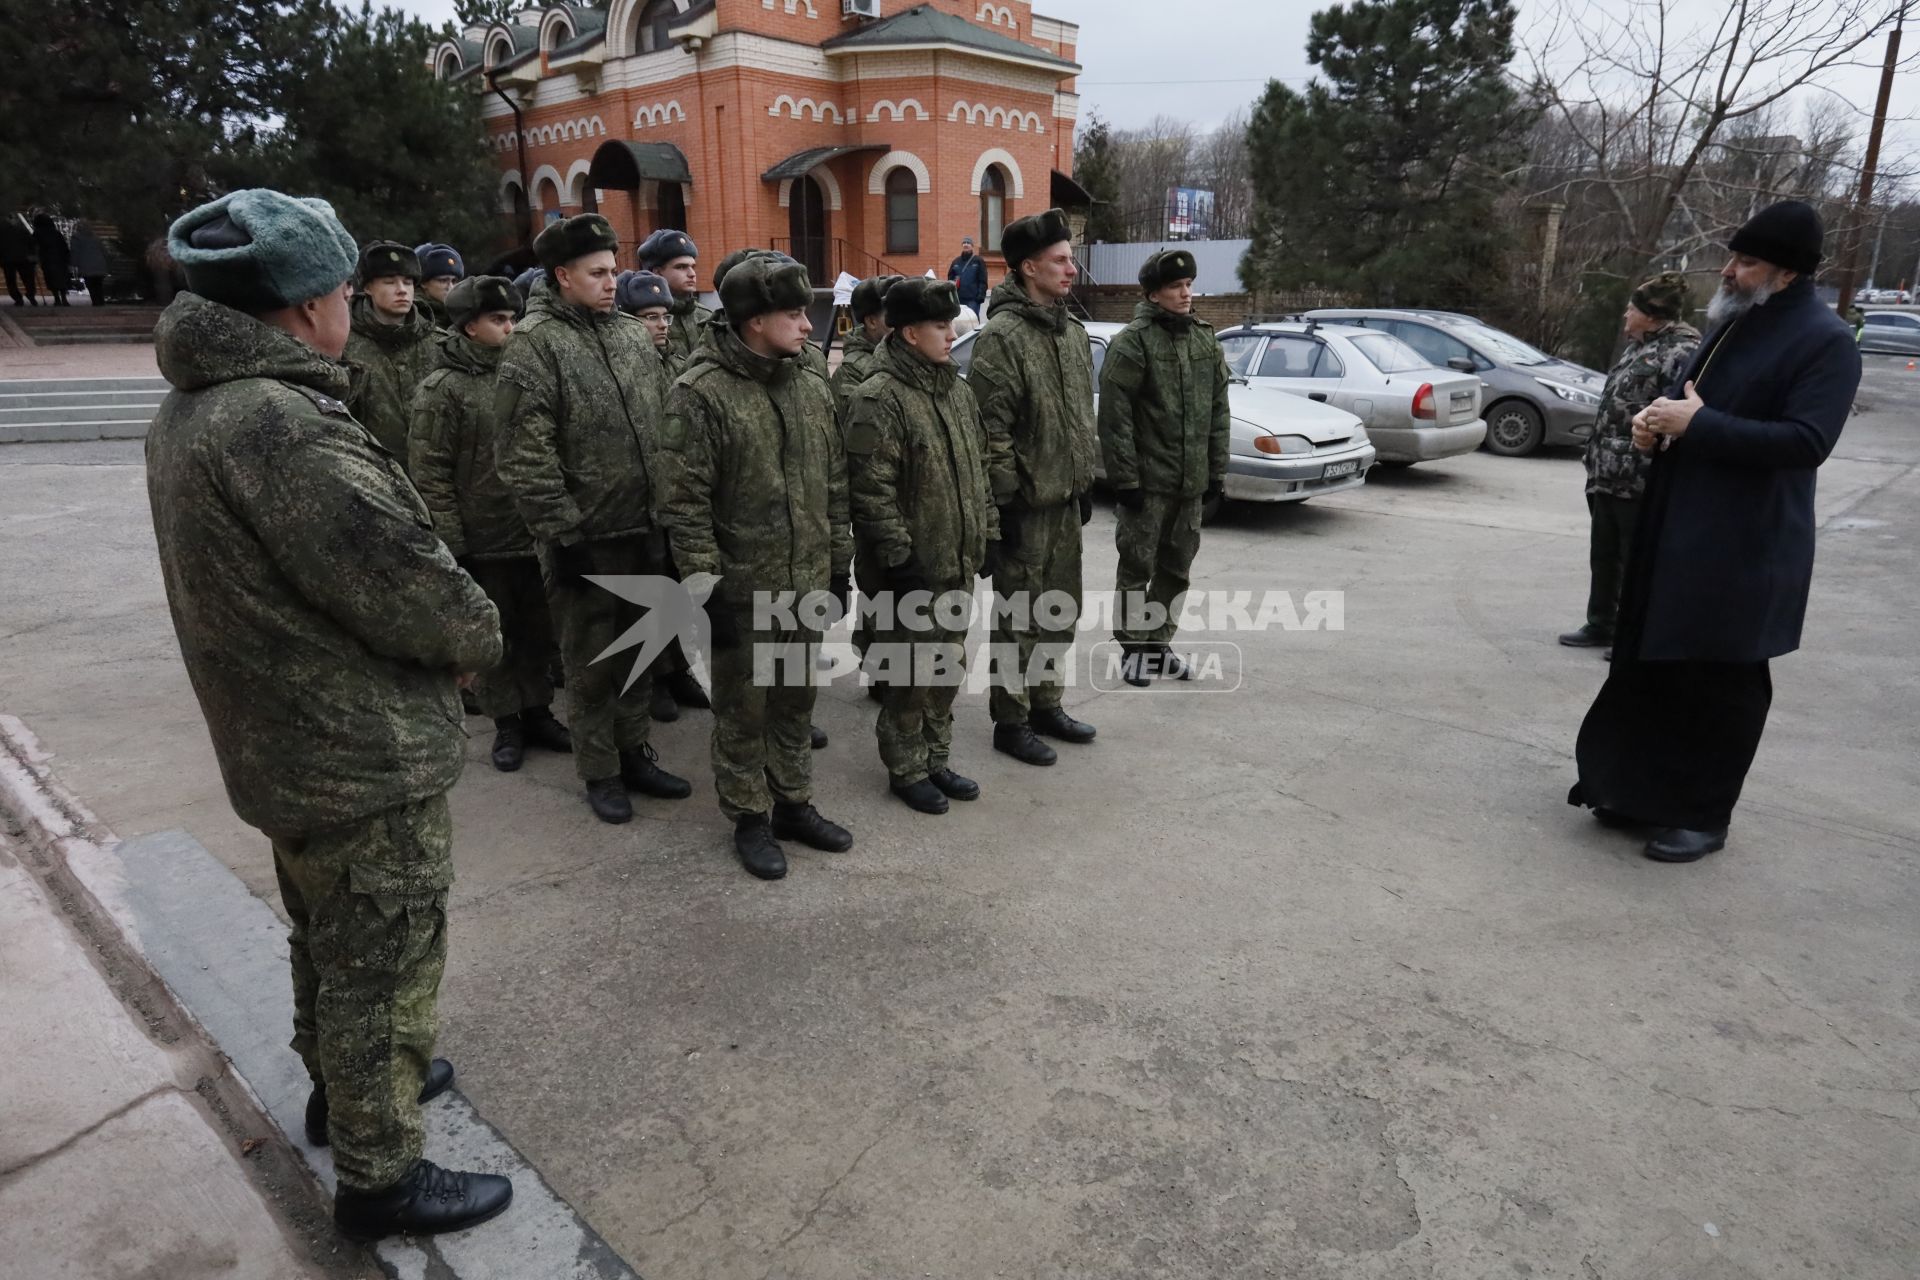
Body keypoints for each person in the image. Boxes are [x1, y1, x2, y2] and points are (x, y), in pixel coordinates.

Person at [146, 188, 512, 1240]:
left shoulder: (197, 407)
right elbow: (407, 584)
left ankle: (343, 1093)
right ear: (306, 308)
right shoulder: (276, 424)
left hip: (289, 739)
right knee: (383, 954)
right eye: (345, 287)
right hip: (357, 749)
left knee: (330, 938)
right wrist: (476, 636)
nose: (354, 301)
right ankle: (382, 1172)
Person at [1570, 200, 1862, 863]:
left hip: (1746, 547)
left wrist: (1695, 426)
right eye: (1731, 258)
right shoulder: (1732, 324)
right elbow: (1684, 401)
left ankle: (1703, 816)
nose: (1729, 272)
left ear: (1787, 273)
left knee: (1719, 684)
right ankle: (1635, 793)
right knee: (1656, 669)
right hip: (1674, 531)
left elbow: (1806, 441)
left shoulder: (1824, 340)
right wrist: (1653, 425)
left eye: (1747, 261)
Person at [661, 255, 854, 879]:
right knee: (744, 710)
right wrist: (704, 586)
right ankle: (750, 816)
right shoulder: (701, 393)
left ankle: (793, 802)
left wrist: (837, 566)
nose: (807, 326)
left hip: (804, 581)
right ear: (752, 321)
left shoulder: (808, 384)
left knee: (796, 702)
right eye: (794, 315)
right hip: (742, 590)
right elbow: (684, 502)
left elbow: (833, 481)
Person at [496, 213, 691, 824]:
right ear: (561, 276)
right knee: (591, 663)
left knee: (640, 651)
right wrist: (563, 533)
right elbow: (525, 453)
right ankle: (601, 769)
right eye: (597, 273)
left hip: (644, 529)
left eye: (614, 270)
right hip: (587, 540)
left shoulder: (633, 336)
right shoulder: (534, 345)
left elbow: (665, 427)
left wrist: (673, 511)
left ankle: (635, 752)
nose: (612, 283)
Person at [408, 274, 573, 773]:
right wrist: (455, 544)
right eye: (498, 320)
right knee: (494, 636)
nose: (510, 327)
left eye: (513, 318)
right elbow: (431, 471)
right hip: (483, 538)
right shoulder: (444, 389)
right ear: (468, 326)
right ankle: (508, 723)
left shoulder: (525, 376)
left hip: (531, 531)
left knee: (538, 630)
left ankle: (539, 710)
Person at [845, 279, 997, 814]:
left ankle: (936, 757)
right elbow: (869, 490)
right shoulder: (878, 397)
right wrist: (898, 556)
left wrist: (988, 534)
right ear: (909, 332)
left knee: (947, 669)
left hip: (955, 563)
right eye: (940, 326)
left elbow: (978, 472)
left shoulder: (954, 389)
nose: (952, 334)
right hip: (910, 570)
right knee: (909, 677)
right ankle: (905, 768)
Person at [967, 208, 1100, 765]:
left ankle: (1047, 702)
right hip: (1024, 506)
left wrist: (1082, 477)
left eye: (1071, 258)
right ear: (1028, 267)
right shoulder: (1002, 337)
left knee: (1060, 609)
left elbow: (1077, 416)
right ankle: (1011, 718)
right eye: (1060, 260)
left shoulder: (1070, 333)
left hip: (1064, 500)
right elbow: (991, 432)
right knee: (1018, 617)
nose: (1072, 269)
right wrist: (1002, 509)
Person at [1098, 248, 1230, 686]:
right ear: (1154, 294)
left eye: (1189, 284)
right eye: (1175, 286)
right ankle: (1133, 648)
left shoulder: (1204, 339)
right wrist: (1125, 480)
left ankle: (1158, 643)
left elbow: (1218, 410)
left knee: (1177, 567)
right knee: (1137, 567)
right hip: (1148, 483)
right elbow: (1114, 419)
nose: (1185, 293)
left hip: (1189, 482)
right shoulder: (1132, 344)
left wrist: (1216, 472)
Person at [1559, 272, 1700, 654]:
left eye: (1632, 308)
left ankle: (1635, 635)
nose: (1625, 313)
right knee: (1604, 555)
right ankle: (1601, 624)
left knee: (1637, 563)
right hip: (1607, 473)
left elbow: (1682, 415)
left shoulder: (1681, 353)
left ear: (1653, 316)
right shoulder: (1637, 346)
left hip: (1641, 478)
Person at [615, 266, 714, 723]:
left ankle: (677, 670)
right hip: (634, 503)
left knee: (677, 592)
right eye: (648, 316)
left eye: (664, 316)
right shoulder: (620, 366)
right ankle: (650, 677)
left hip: (674, 499)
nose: (660, 324)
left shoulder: (679, 365)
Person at [342, 241, 437, 460]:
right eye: (389, 282)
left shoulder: (438, 344)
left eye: (408, 282)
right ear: (367, 287)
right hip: (371, 470)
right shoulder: (344, 344)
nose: (402, 290)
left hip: (435, 477)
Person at [635, 228, 709, 371]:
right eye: (681, 267)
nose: (692, 274)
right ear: (657, 272)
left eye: (693, 267)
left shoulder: (706, 317)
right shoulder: (645, 320)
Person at [830, 274, 901, 414]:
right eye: (894, 316)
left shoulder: (901, 354)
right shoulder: (852, 372)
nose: (903, 322)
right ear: (871, 322)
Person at [616, 269, 674, 351]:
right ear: (628, 319)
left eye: (665, 317)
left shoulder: (677, 363)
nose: (663, 325)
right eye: (653, 317)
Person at [415, 243, 465, 328]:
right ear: (423, 283)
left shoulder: (461, 314)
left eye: (454, 281)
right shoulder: (412, 315)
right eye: (443, 280)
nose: (451, 287)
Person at [30, 212, 70, 306]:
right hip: (60, 258)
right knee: (62, 278)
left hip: (47, 258)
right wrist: (67, 257)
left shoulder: (37, 233)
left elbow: (34, 245)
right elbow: (64, 246)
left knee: (51, 278)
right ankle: (64, 298)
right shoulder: (56, 233)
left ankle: (57, 298)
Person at [69, 221, 110, 306]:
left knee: (91, 285)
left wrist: (74, 264)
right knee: (98, 284)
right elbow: (104, 251)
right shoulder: (96, 237)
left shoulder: (76, 238)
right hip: (99, 264)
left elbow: (75, 252)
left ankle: (96, 302)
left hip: (86, 265)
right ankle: (101, 301)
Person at [947, 235, 987, 316]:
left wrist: (980, 297)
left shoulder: (978, 261)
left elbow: (983, 280)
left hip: (973, 300)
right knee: (959, 321)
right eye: (964, 243)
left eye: (968, 243)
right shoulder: (956, 262)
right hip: (958, 299)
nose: (966, 244)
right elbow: (950, 279)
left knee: (973, 322)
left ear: (972, 246)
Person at [0, 213, 35, 306]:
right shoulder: (22, 230)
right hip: (22, 258)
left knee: (11, 280)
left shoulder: (3, 231)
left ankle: (18, 298)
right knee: (27, 278)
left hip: (8, 259)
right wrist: (32, 254)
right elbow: (31, 243)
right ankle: (30, 295)